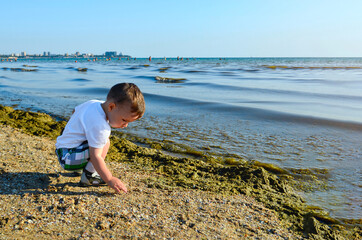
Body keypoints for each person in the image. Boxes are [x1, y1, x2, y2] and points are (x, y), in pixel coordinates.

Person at [55, 83, 145, 193]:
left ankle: (81, 169)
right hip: (69, 159)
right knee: (105, 142)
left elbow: (75, 111)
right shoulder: (101, 126)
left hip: (62, 150)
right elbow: (96, 156)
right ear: (111, 107)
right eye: (124, 120)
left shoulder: (94, 103)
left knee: (93, 139)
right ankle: (89, 176)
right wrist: (110, 179)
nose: (125, 125)